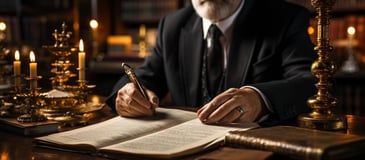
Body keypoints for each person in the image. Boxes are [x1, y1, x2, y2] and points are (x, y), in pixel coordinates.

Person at [106, 0, 317, 126]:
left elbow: (310, 84)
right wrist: (127, 94)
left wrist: (260, 99)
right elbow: (145, 76)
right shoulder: (173, 25)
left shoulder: (285, 18)